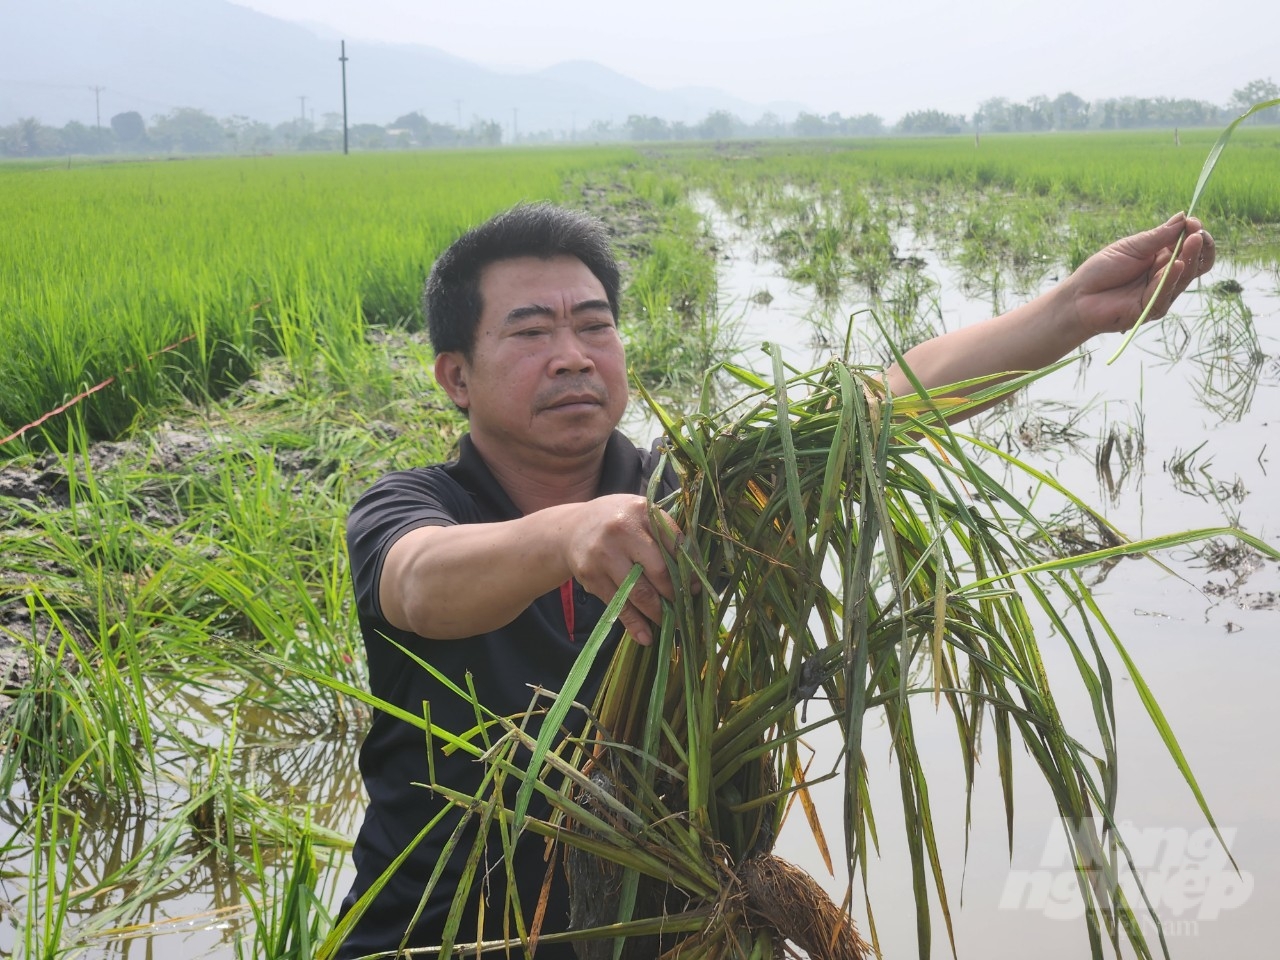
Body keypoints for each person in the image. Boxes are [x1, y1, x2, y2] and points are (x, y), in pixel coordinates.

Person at [335, 202, 1214, 959]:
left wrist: (1074, 309)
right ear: (455, 376)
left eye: (594, 325)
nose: (572, 355)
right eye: (531, 331)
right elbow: (418, 584)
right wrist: (563, 535)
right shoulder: (413, 508)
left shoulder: (695, 494)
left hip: (662, 931)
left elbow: (876, 406)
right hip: (434, 934)